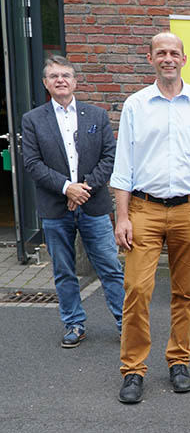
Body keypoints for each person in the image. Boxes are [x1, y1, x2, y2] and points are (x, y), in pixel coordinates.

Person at [110, 32, 190, 404]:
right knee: (137, 290)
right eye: (161, 53)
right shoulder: (136, 105)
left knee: (184, 292)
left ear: (184, 59)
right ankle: (133, 369)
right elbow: (123, 166)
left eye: (174, 52)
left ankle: (179, 361)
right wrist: (122, 217)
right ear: (150, 59)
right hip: (143, 209)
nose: (168, 58)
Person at [21, 55, 124, 348]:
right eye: (54, 76)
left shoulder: (96, 116)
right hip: (56, 208)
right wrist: (67, 189)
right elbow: (32, 163)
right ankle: (74, 324)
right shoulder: (32, 120)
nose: (60, 80)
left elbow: (110, 157)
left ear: (76, 81)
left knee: (110, 267)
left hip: (94, 205)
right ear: (46, 83)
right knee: (64, 270)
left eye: (65, 75)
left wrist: (84, 189)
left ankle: (124, 322)